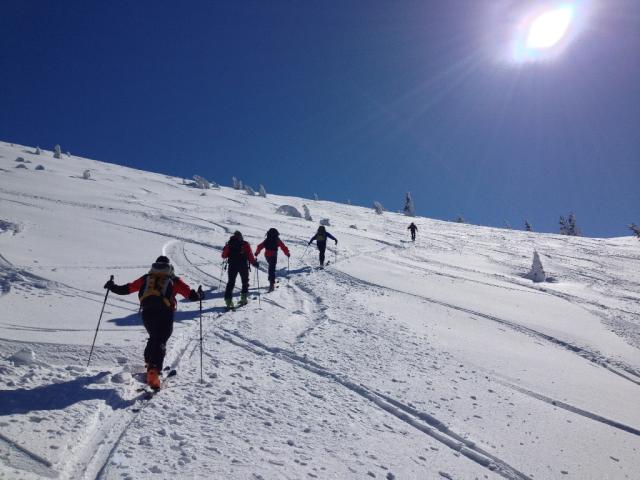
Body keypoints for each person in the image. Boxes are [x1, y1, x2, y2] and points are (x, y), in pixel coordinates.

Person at [104, 256, 200, 389]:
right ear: (169, 267)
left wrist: (111, 286)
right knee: (161, 340)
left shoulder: (147, 278)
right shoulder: (173, 280)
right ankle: (154, 372)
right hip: (165, 313)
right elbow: (191, 295)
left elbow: (126, 289)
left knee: (154, 336)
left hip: (147, 312)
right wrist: (199, 295)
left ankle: (149, 362)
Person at [222, 231, 258, 309]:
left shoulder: (229, 244)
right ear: (241, 236)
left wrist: (226, 248)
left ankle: (228, 302)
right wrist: (254, 263)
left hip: (232, 266)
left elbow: (224, 256)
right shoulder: (245, 244)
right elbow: (249, 255)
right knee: (245, 282)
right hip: (243, 265)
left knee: (230, 283)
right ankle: (244, 299)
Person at [255, 228, 290, 292]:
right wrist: (287, 253)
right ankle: (271, 284)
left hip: (267, 256)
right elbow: (283, 247)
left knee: (271, 267)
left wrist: (257, 252)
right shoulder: (277, 239)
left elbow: (259, 246)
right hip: (273, 256)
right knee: (272, 269)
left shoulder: (267, 239)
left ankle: (270, 279)